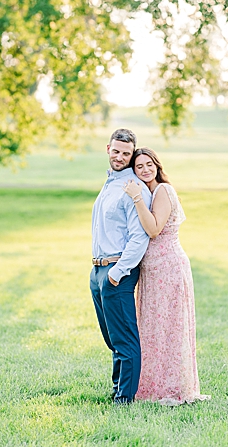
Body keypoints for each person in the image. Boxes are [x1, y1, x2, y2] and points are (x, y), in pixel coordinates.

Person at [122, 148, 209, 405]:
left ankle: (171, 387)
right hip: (154, 270)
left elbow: (153, 229)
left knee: (168, 328)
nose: (145, 169)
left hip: (168, 268)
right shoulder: (151, 191)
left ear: (157, 166)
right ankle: (152, 384)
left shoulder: (162, 191)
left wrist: (137, 198)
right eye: (140, 167)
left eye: (149, 164)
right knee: (153, 328)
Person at [90, 128, 152, 404]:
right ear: (108, 149)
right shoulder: (110, 183)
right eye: (116, 151)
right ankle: (117, 389)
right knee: (111, 338)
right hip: (98, 270)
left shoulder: (133, 187)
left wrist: (116, 273)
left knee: (125, 339)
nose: (120, 157)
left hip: (119, 270)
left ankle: (124, 398)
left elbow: (139, 238)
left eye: (126, 153)